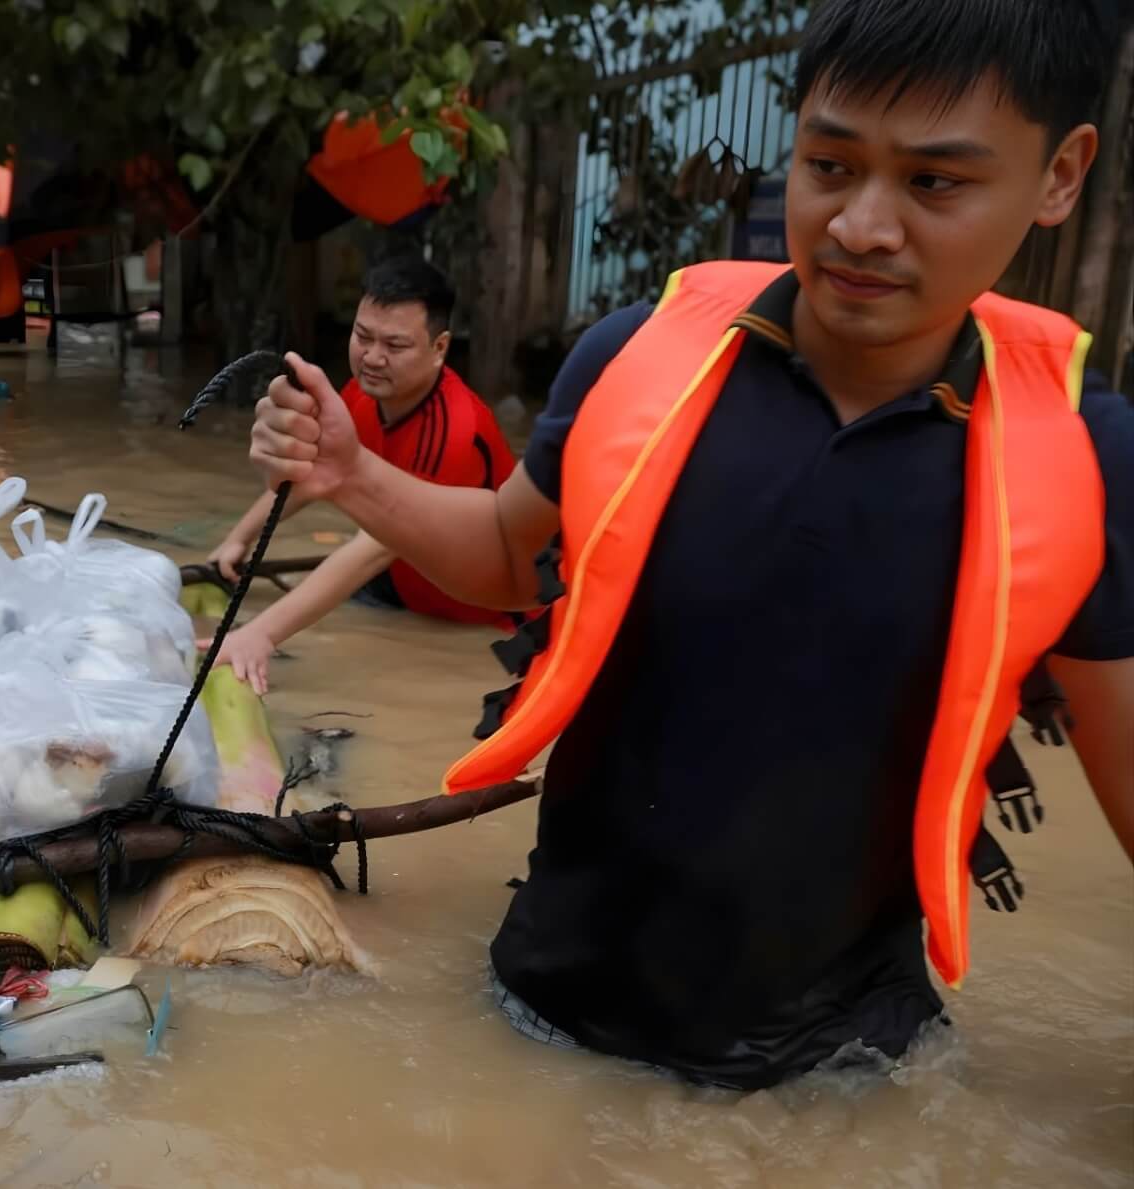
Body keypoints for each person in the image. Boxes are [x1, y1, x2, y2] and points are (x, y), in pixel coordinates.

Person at [248, 0, 1133, 1090]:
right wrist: (353, 475)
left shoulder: (1082, 458)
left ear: (1060, 174)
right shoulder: (642, 357)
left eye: (935, 182)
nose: (862, 224)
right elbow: (507, 559)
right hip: (544, 1013)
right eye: (828, 162)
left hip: (836, 1068)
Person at [206, 255, 518, 693]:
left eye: (394, 346)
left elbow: (378, 545)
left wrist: (261, 633)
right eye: (362, 336)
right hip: (403, 585)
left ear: (440, 348)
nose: (372, 358)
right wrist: (240, 538)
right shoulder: (362, 393)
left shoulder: (457, 431)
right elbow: (311, 476)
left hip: (474, 613)